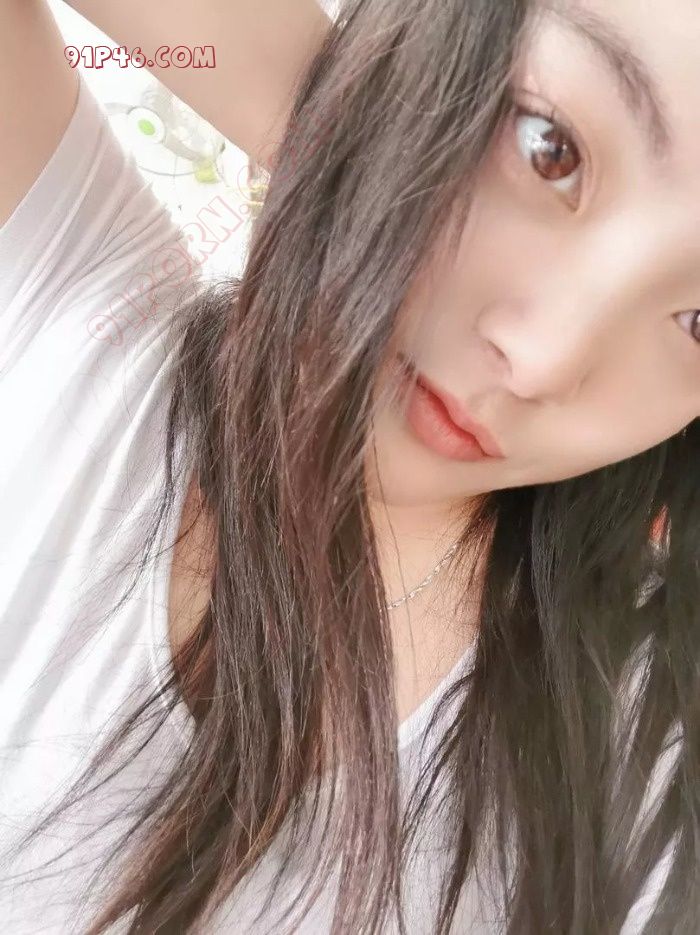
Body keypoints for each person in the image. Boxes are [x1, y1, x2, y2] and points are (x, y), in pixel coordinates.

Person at [0, 0, 697, 932]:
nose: (542, 360)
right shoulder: (69, 322)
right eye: (548, 148)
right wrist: (346, 128)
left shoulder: (648, 764)